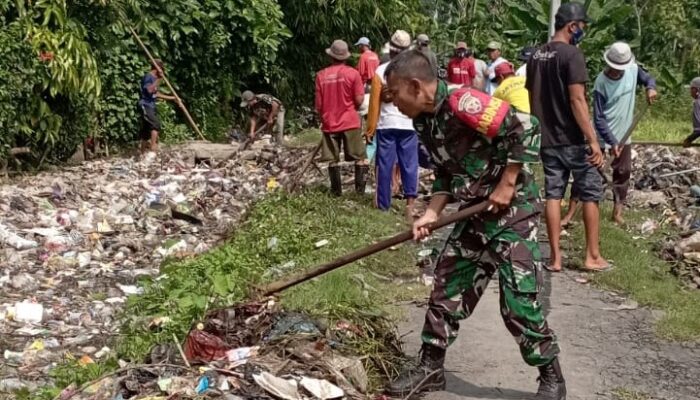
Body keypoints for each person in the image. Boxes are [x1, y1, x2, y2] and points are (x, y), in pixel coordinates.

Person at [383, 49, 565, 400]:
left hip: (513, 216)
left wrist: (507, 182)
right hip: (476, 214)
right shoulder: (425, 120)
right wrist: (432, 212)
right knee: (447, 283)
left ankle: (551, 376)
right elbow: (447, 172)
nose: (393, 103)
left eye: (394, 94)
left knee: (519, 305)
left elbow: (527, 128)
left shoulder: (461, 102)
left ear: (415, 85)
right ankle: (431, 368)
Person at [526, 2, 608, 272]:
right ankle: (592, 256)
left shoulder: (536, 55)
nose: (582, 31)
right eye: (582, 26)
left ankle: (555, 259)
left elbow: (532, 97)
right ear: (572, 26)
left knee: (553, 193)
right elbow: (577, 100)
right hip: (573, 139)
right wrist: (592, 139)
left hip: (547, 139)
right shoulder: (572, 55)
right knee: (590, 193)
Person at [591, 41, 657, 224]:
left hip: (624, 135)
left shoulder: (633, 70)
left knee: (623, 172)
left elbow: (649, 79)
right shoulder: (601, 83)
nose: (617, 72)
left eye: (620, 68)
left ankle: (617, 212)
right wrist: (612, 141)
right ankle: (586, 208)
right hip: (602, 137)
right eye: (613, 68)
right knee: (594, 173)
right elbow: (598, 118)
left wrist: (650, 88)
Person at [365, 30, 418, 216]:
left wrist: (370, 130)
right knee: (410, 164)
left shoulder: (381, 71)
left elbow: (373, 105)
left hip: (386, 124)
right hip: (409, 124)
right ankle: (410, 204)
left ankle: (383, 204)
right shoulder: (414, 72)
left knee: (385, 165)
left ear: (392, 50)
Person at [315, 39, 368, 196]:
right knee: (360, 158)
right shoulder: (353, 74)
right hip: (350, 121)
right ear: (346, 57)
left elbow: (318, 105)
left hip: (330, 122)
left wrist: (323, 118)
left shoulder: (321, 75)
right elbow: (359, 100)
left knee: (333, 160)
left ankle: (336, 192)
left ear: (331, 56)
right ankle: (360, 193)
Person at [138, 59, 180, 153]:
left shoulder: (153, 79)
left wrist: (172, 98)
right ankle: (153, 147)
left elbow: (155, 94)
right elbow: (149, 90)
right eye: (161, 69)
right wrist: (159, 79)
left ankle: (142, 153)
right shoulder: (148, 77)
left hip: (151, 106)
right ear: (157, 69)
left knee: (146, 130)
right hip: (145, 104)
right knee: (155, 124)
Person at [682, 77, 700, 146]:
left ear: (697, 89)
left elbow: (699, 130)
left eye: (692, 88)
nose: (690, 91)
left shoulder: (697, 102)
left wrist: (688, 140)